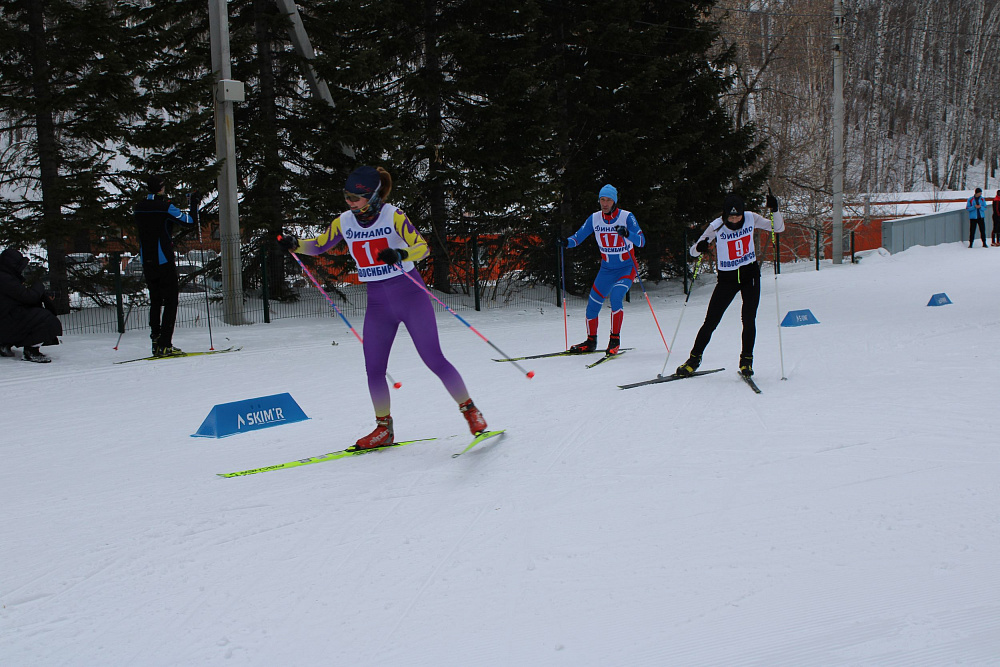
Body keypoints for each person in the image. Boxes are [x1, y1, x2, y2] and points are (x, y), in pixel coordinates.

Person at [276, 166, 488, 449]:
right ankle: (383, 429)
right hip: (378, 303)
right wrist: (296, 244)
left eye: (355, 198)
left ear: (373, 196)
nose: (350, 202)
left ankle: (470, 411)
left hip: (410, 297)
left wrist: (400, 253)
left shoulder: (394, 216)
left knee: (433, 359)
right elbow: (318, 246)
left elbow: (422, 248)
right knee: (374, 369)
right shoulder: (344, 222)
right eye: (347, 197)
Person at [675, 190, 784, 378]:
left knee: (748, 319)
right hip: (727, 278)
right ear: (725, 215)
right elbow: (693, 252)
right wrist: (699, 247)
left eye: (737, 216)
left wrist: (775, 210)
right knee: (711, 321)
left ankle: (746, 362)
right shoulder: (716, 226)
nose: (734, 220)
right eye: (730, 217)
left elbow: (778, 228)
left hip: (749, 274)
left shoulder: (751, 218)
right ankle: (693, 360)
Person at [560, 184, 646, 355]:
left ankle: (615, 340)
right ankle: (591, 341)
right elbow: (578, 238)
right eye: (602, 200)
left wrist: (627, 233)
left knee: (615, 297)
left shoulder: (627, 217)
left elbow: (642, 241)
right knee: (592, 305)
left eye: (608, 200)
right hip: (607, 269)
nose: (605, 203)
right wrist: (565, 242)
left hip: (626, 267)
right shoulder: (595, 218)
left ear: (614, 201)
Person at [133, 175, 200, 356]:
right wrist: (194, 204)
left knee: (155, 300)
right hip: (163, 260)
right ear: (161, 188)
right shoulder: (164, 207)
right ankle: (165, 344)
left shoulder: (138, 208)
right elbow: (189, 222)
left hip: (146, 259)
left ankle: (156, 340)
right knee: (171, 301)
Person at [0, 248, 63, 363]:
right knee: (45, 319)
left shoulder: (5, 277)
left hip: (5, 320)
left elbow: (16, 298)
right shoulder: (5, 278)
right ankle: (31, 351)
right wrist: (39, 287)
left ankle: (4, 344)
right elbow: (28, 297)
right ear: (12, 265)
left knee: (27, 315)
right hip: (6, 322)